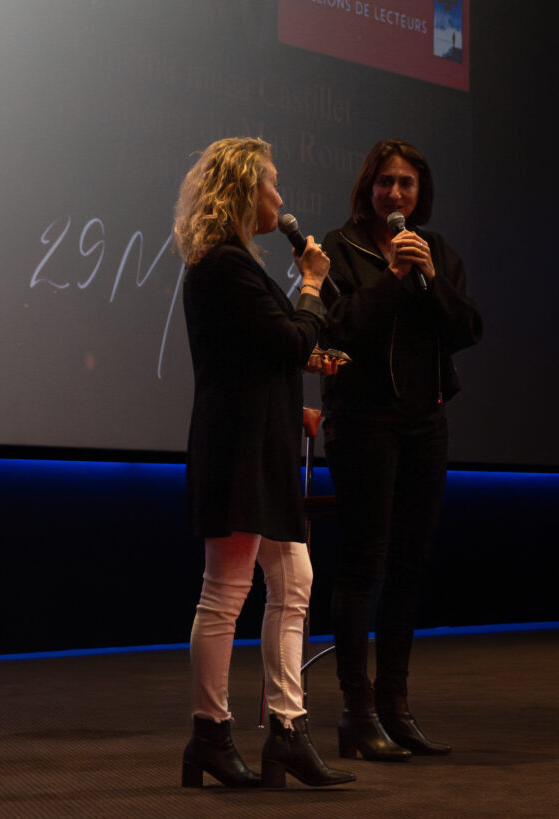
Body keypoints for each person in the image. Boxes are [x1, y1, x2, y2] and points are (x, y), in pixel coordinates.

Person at [173, 137, 355, 788]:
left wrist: (295, 402)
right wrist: (309, 285)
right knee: (225, 593)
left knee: (294, 581)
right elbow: (283, 342)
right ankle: (210, 735)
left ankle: (288, 730)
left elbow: (265, 357)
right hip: (239, 449)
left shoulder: (235, 265)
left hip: (261, 444)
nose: (282, 199)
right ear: (245, 189)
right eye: (272, 184)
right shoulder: (223, 264)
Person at [319, 139, 483, 761]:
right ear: (368, 188)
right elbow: (336, 329)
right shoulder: (339, 249)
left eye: (407, 184)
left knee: (410, 567)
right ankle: (356, 714)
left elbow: (467, 329)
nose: (395, 193)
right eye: (386, 182)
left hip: (424, 422)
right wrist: (392, 279)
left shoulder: (434, 251)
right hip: (362, 421)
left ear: (420, 194)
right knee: (366, 563)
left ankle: (396, 705)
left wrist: (430, 279)